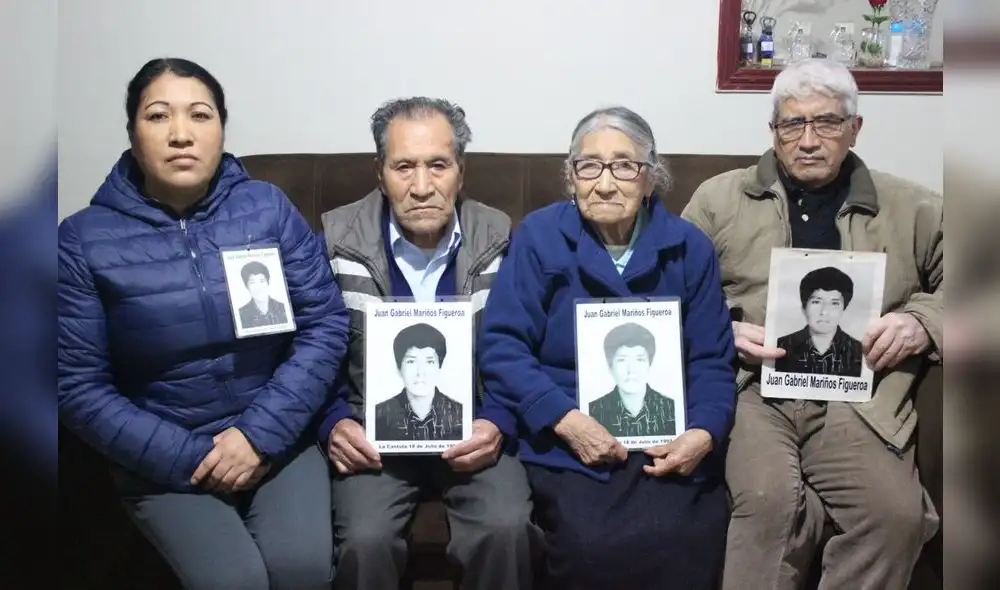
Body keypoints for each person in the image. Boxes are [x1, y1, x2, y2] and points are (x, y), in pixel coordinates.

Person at [57, 58, 349, 590]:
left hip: (277, 440)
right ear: (131, 133)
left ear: (221, 128)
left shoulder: (267, 208)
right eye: (158, 116)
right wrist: (196, 457)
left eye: (199, 115)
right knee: (233, 581)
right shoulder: (82, 240)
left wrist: (258, 435)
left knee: (303, 570)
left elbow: (324, 325)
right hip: (164, 457)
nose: (180, 134)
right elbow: (77, 385)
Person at [681, 58, 942, 590]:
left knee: (896, 516)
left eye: (825, 123)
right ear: (773, 133)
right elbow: (669, 293)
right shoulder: (718, 199)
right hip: (752, 391)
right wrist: (722, 332)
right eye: (792, 125)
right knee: (767, 502)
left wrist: (924, 320)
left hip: (860, 396)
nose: (807, 140)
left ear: (854, 129)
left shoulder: (913, 206)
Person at [478, 106, 736, 589]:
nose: (605, 182)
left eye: (624, 165)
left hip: (669, 438)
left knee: (686, 536)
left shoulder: (689, 247)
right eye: (589, 166)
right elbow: (503, 346)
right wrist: (566, 420)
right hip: (568, 436)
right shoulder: (539, 237)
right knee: (590, 546)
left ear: (650, 179)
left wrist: (703, 432)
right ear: (571, 178)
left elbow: (711, 359)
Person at [315, 97, 541, 590]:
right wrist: (332, 423)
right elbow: (312, 351)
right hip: (371, 436)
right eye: (404, 167)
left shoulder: (500, 237)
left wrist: (499, 421)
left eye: (438, 165)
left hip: (473, 426)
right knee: (364, 540)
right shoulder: (336, 240)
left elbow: (522, 346)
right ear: (380, 173)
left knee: (507, 528)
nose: (421, 187)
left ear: (461, 170)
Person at [374, 322, 464, 441]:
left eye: (430, 362)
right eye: (411, 361)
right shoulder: (379, 415)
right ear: (398, 368)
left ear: (439, 367)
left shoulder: (460, 414)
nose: (420, 372)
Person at [588, 322, 676, 437]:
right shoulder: (593, 412)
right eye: (622, 360)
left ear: (650, 364)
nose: (631, 370)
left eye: (639, 360)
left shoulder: (670, 409)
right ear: (610, 366)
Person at [774, 265, 864, 377]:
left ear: (844, 309)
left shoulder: (858, 351)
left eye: (834, 303)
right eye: (816, 302)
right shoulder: (782, 346)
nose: (824, 312)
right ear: (804, 307)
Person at [238, 260, 289, 328]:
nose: (258, 287)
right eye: (252, 282)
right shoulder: (241, 314)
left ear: (268, 282)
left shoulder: (283, 308)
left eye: (262, 281)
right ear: (246, 286)